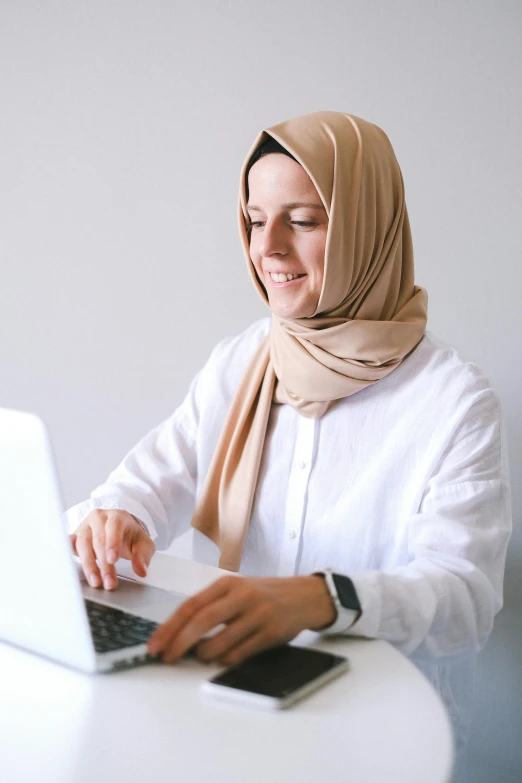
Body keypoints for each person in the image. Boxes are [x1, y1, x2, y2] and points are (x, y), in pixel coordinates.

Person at [67, 111, 512, 750]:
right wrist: (114, 518)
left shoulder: (453, 400)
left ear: (366, 228)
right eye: (253, 220)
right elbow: (148, 482)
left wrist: (326, 600)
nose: (267, 247)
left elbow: (464, 600)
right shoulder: (241, 360)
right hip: (225, 699)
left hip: (377, 728)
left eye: (301, 220)